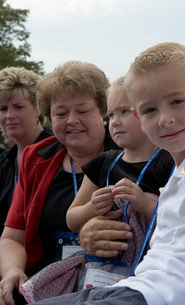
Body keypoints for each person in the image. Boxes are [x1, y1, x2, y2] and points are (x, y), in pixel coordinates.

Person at [33, 42, 185, 305]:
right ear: (140, 118)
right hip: (139, 288)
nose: (165, 118)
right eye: (150, 110)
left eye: (177, 102)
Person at [0, 61, 118, 305]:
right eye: (61, 114)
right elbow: (12, 236)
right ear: (49, 117)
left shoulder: (128, 155)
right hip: (42, 286)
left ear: (103, 112)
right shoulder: (37, 157)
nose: (71, 120)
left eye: (82, 111)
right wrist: (12, 270)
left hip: (111, 288)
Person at [66, 76, 173, 241]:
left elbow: (179, 222)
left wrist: (145, 204)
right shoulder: (103, 162)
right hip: (105, 262)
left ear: (150, 112)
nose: (114, 122)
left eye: (124, 112)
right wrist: (92, 207)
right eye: (111, 115)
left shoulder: (170, 162)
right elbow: (72, 220)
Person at [0, 67, 53, 237]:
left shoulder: (57, 154)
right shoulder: (5, 162)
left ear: (38, 110)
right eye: (3, 109)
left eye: (18, 107)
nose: (9, 115)